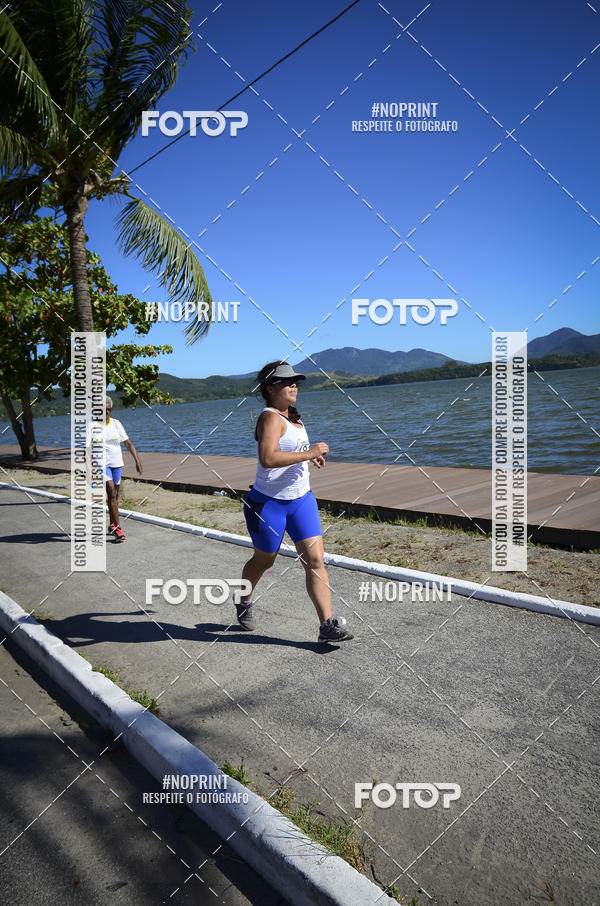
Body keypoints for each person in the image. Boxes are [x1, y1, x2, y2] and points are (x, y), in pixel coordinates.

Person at [236, 361, 354, 644]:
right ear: (269, 388)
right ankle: (243, 599)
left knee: (314, 560)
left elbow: (291, 450)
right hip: (269, 505)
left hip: (302, 500)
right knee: (264, 561)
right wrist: (308, 452)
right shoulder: (269, 418)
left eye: (295, 381)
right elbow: (268, 458)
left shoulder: (293, 418)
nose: (293, 385)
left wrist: (310, 455)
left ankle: (327, 625)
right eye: (286, 381)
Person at [88, 396, 142, 542]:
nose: (105, 412)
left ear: (111, 410)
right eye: (102, 409)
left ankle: (112, 525)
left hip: (117, 463)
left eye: (108, 409)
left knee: (114, 496)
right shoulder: (91, 426)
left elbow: (128, 443)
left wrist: (137, 460)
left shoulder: (116, 424)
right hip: (101, 464)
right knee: (111, 491)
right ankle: (118, 528)